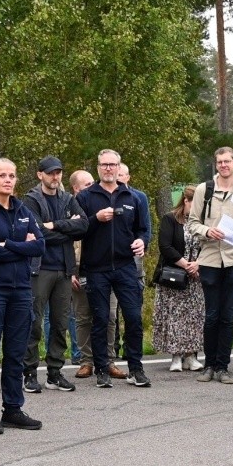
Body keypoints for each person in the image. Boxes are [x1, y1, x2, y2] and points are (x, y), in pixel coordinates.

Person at [0, 159, 46, 434]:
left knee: (16, 353)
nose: (8, 180)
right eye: (2, 175)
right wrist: (21, 246)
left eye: (12, 175)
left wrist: (9, 245)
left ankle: (13, 409)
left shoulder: (23, 210)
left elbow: (40, 245)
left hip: (21, 290)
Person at [76, 149, 152, 389]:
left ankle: (136, 369)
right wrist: (95, 219)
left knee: (133, 318)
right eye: (104, 165)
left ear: (119, 168)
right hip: (96, 268)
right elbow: (76, 230)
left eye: (112, 164)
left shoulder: (134, 197)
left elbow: (144, 229)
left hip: (126, 266)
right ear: (98, 168)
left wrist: (142, 242)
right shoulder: (85, 197)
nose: (108, 168)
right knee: (101, 319)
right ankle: (102, 370)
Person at [187, 147, 233, 383]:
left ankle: (222, 367)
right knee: (212, 315)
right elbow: (192, 223)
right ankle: (209, 365)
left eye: (227, 161)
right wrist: (207, 231)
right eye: (220, 161)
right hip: (210, 259)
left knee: (228, 316)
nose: (224, 165)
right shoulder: (204, 189)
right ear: (216, 164)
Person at [20, 156, 88, 394]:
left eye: (58, 172)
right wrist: (67, 226)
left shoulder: (68, 198)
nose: (55, 177)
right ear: (40, 174)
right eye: (50, 173)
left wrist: (55, 225)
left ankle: (54, 372)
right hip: (39, 269)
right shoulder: (30, 200)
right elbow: (37, 233)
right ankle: (29, 372)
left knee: (60, 323)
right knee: (34, 322)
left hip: (64, 269)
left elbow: (84, 226)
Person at [152, 186, 206, 371]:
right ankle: (175, 356)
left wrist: (198, 264)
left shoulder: (203, 222)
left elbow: (209, 247)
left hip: (196, 277)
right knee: (174, 317)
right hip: (174, 275)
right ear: (186, 201)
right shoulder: (170, 219)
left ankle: (191, 356)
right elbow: (165, 246)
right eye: (194, 203)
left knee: (194, 317)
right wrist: (186, 265)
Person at [68, 170, 96, 379]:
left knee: (108, 316)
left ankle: (107, 359)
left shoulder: (99, 203)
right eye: (87, 184)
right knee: (82, 317)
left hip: (100, 268)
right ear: (76, 188)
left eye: (92, 183)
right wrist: (71, 272)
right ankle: (86, 360)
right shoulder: (66, 208)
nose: (91, 187)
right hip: (77, 270)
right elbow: (64, 243)